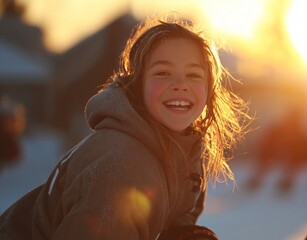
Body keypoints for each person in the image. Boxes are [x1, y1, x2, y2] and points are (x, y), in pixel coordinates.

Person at [0, 17, 249, 240]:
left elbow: (179, 212)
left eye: (194, 75)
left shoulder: (186, 151)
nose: (180, 85)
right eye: (163, 72)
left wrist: (183, 233)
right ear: (137, 84)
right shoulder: (121, 167)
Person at [247, 107, 307, 194]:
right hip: (276, 153)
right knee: (268, 162)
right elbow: (267, 143)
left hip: (290, 156)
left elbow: (304, 149)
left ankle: (281, 183)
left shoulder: (299, 132)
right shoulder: (279, 129)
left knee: (293, 163)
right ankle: (256, 181)